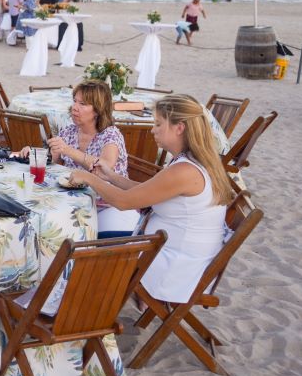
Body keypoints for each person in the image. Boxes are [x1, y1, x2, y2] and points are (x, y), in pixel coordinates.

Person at [68, 94, 232, 303]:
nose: (152, 129)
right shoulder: (191, 162)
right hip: (183, 255)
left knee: (85, 259)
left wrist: (89, 178)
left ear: (179, 128)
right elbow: (146, 191)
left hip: (178, 269)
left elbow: (124, 202)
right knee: (92, 251)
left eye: (158, 124)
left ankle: (85, 324)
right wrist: (111, 175)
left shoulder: (184, 171)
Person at [20, 80, 133, 237]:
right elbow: (57, 165)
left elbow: (106, 165)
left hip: (107, 205)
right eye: (75, 101)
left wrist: (67, 150)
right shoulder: (70, 131)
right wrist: (38, 153)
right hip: (74, 202)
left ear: (98, 110)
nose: (75, 107)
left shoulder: (110, 134)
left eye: (83, 103)